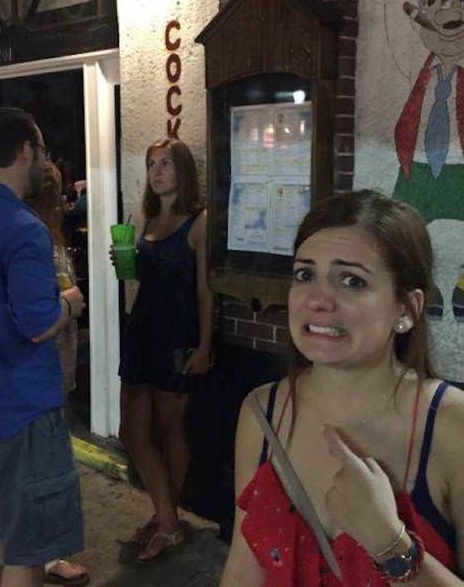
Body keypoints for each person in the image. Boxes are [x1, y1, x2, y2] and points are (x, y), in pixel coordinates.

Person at [221, 190, 464, 585]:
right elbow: (244, 568)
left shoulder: (451, 426)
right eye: (305, 275)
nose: (318, 299)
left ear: (406, 309)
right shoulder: (264, 413)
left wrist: (388, 541)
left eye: (351, 280)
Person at [0, 108, 86, 587]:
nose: (44, 161)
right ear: (25, 150)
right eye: (42, 151)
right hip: (21, 409)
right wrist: (69, 302)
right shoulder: (21, 227)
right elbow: (37, 323)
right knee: (28, 551)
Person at [116, 138, 214, 561]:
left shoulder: (200, 221)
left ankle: (166, 520)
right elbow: (150, 278)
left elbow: (206, 292)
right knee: (134, 432)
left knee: (172, 429)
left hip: (179, 336)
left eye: (166, 165)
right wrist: (126, 262)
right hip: (142, 331)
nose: (157, 172)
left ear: (183, 171)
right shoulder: (149, 219)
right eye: (152, 164)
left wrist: (205, 345)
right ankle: (168, 519)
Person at [28, 158, 89, 586]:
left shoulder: (46, 231)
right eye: (57, 190)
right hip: (41, 363)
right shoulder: (30, 234)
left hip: (54, 361)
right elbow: (39, 311)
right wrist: (71, 299)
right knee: (42, 464)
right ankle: (44, 557)